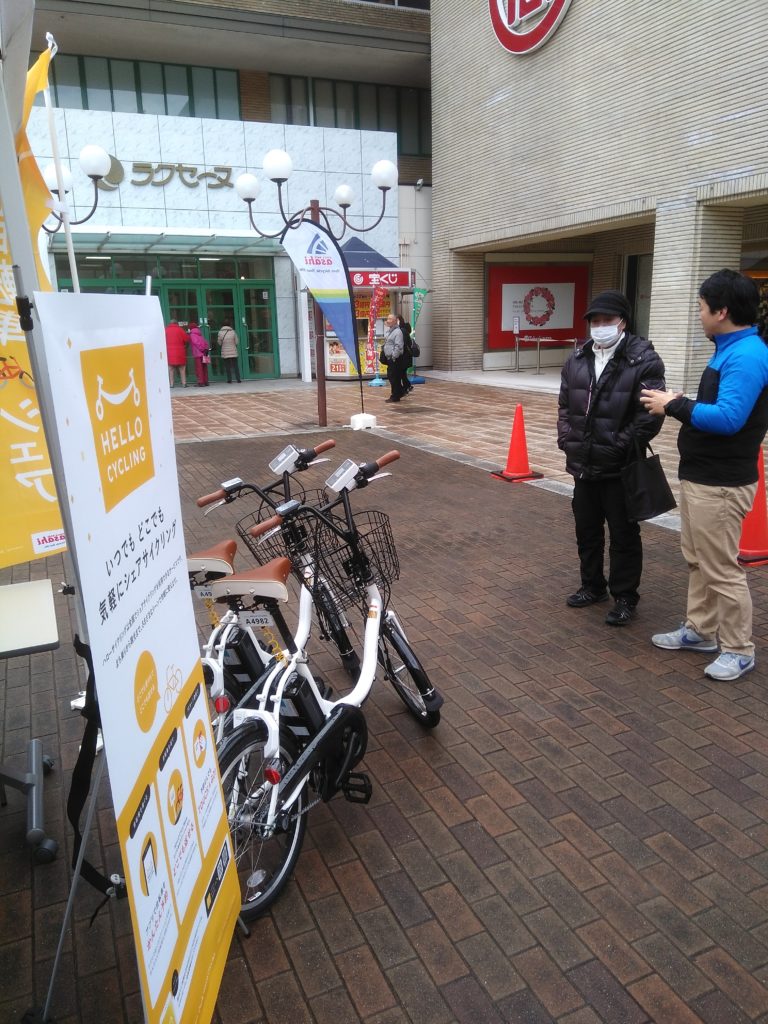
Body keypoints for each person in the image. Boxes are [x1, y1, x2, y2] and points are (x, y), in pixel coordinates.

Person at [641, 269, 768, 680]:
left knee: (721, 569)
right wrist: (683, 402)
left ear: (722, 310)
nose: (698, 314)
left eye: (700, 307)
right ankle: (701, 630)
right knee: (698, 560)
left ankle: (738, 649)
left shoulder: (747, 355)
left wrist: (674, 405)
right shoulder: (729, 348)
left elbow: (729, 419)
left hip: (722, 483)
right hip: (703, 477)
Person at [557, 289, 666, 626]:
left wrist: (619, 445)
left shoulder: (643, 360)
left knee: (623, 535)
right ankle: (592, 586)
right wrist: (567, 439)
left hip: (620, 466)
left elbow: (650, 415)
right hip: (583, 463)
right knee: (586, 529)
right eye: (595, 321)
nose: (600, 326)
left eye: (607, 320)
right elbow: (564, 406)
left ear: (623, 323)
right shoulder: (577, 359)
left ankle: (625, 597)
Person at [382, 313, 405, 403]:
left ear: (395, 321)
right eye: (388, 319)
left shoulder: (398, 332)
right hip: (389, 358)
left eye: (390, 319)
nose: (388, 320)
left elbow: (398, 346)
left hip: (394, 359)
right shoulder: (389, 331)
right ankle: (398, 393)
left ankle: (395, 396)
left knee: (394, 377)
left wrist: (393, 356)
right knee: (392, 377)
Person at [165, 320, 189, 388]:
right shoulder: (180, 330)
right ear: (176, 323)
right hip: (180, 351)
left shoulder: (166, 330)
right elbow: (186, 339)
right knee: (182, 368)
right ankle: (184, 383)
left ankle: (171, 384)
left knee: (170, 368)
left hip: (169, 351)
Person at [217, 317, 241, 383]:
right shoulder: (233, 332)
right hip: (233, 350)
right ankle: (238, 379)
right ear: (230, 324)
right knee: (235, 365)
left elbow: (219, 343)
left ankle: (229, 380)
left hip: (225, 351)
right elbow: (237, 342)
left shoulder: (220, 333)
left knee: (227, 366)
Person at [188, 321, 210, 387]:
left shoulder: (192, 335)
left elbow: (196, 343)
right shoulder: (200, 334)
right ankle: (206, 381)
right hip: (204, 353)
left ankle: (201, 382)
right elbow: (205, 343)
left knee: (199, 368)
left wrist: (201, 349)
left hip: (198, 353)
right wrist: (205, 349)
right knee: (204, 367)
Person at [398, 314, 414, 396]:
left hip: (404, 356)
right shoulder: (403, 329)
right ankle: (407, 386)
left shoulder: (402, 331)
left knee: (401, 373)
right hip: (406, 356)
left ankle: (406, 387)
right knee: (402, 373)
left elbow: (402, 344)